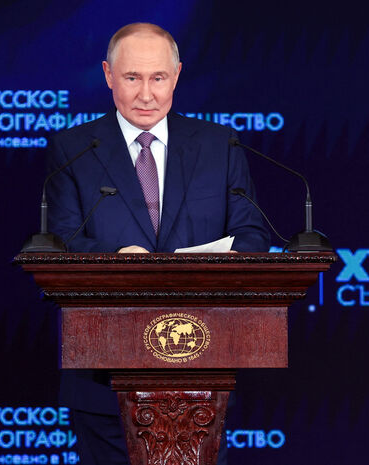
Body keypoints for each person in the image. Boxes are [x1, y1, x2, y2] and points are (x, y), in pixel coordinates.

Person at [45, 23, 270, 464]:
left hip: (201, 376)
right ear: (108, 75)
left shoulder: (219, 145)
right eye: (132, 77)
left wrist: (223, 262)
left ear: (177, 75)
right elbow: (62, 242)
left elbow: (252, 234)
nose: (146, 94)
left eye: (158, 78)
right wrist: (116, 260)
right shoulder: (73, 149)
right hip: (103, 381)